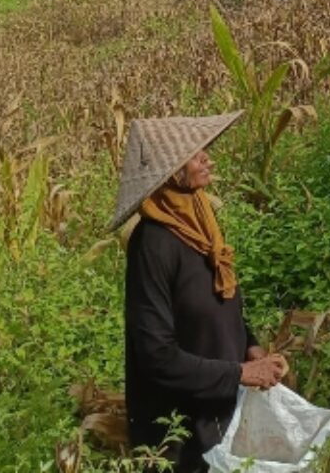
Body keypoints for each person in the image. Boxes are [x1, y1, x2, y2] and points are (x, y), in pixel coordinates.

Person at [109, 112, 288, 472]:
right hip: (178, 428)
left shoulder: (201, 219)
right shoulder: (154, 244)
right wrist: (239, 373)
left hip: (219, 408)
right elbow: (156, 354)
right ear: (172, 172)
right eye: (196, 154)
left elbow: (220, 304)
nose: (209, 159)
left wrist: (250, 346)